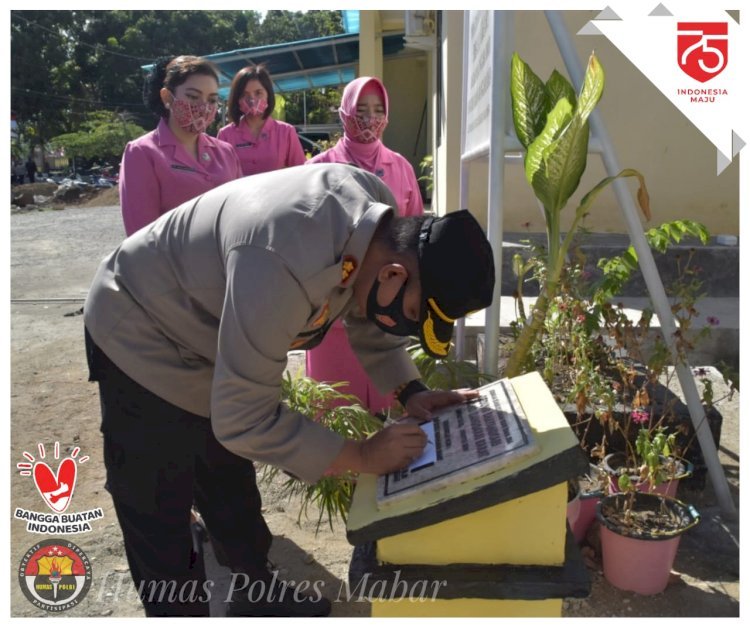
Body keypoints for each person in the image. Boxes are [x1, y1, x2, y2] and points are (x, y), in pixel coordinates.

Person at [83, 163, 495, 617]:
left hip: (207, 331)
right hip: (140, 327)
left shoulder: (376, 226)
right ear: (395, 276)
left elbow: (366, 309)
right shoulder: (284, 257)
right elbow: (244, 419)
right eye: (414, 312)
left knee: (227, 478)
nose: (406, 324)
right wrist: (360, 456)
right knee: (159, 504)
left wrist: (410, 390)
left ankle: (254, 592)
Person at [306, 76, 425, 415]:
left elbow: (413, 229)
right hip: (333, 303)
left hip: (386, 300)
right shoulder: (319, 168)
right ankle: (337, 466)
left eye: (378, 110)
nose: (370, 118)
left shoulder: (399, 166)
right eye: (361, 110)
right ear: (345, 112)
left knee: (386, 391)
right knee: (337, 402)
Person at [119, 55, 242, 236]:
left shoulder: (226, 152)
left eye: (212, 100)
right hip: (172, 263)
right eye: (193, 96)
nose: (204, 107)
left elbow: (240, 213)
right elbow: (142, 236)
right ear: (167, 97)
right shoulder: (142, 153)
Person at [217, 65, 305, 176]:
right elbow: (221, 178)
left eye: (258, 93)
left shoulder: (286, 132)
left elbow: (302, 173)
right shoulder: (226, 135)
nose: (252, 99)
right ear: (237, 98)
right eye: (245, 94)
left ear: (268, 95)